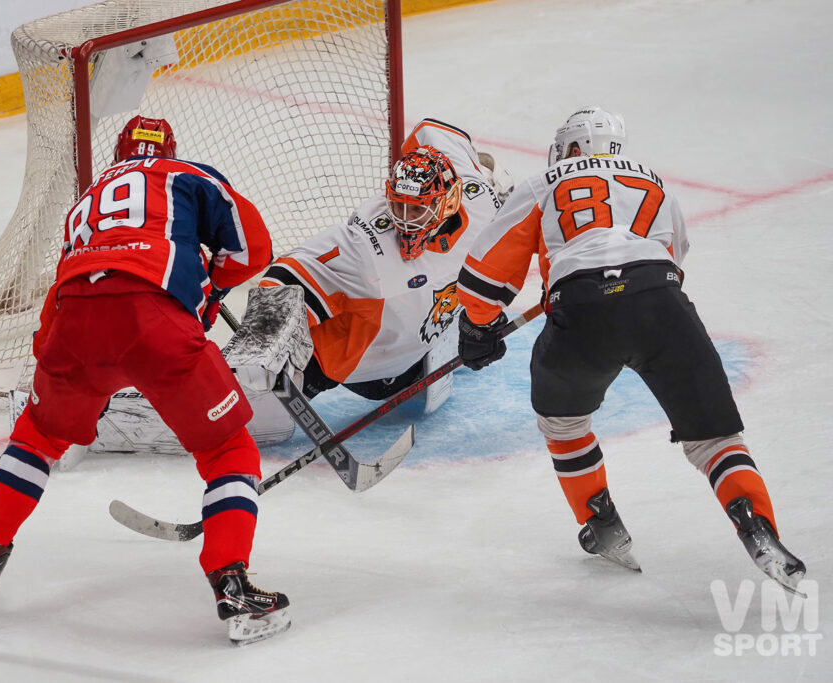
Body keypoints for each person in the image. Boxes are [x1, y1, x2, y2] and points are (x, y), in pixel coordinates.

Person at [0, 115, 291, 645]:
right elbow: (253, 250)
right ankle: (231, 582)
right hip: (154, 323)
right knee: (227, 448)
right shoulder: (189, 174)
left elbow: (65, 294)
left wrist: (63, 368)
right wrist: (205, 294)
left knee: (39, 436)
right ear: (171, 149)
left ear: (118, 156)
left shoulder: (84, 202)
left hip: (72, 323)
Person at [454, 107, 806, 591]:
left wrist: (478, 328)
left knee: (565, 423)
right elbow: (674, 260)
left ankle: (602, 523)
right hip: (661, 301)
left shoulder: (545, 180)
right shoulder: (655, 180)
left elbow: (485, 269)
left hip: (581, 309)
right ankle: (757, 527)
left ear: (573, 148)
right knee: (714, 439)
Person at [242, 118, 514, 440]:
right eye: (399, 206)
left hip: (408, 360)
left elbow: (432, 129)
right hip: (361, 363)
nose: (404, 221)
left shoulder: (484, 204)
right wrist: (258, 340)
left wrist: (482, 324)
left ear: (449, 202)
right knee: (256, 420)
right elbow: (292, 271)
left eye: (417, 211)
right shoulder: (367, 245)